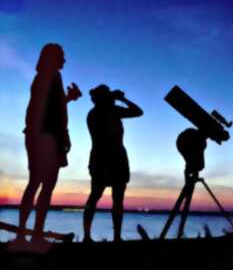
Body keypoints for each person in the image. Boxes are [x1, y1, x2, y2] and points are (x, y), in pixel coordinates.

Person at [16, 43, 82, 245]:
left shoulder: (48, 76)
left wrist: (68, 99)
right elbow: (41, 108)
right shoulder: (49, 76)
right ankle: (32, 235)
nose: (64, 59)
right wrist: (54, 136)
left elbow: (52, 106)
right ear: (52, 57)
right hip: (45, 137)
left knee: (38, 183)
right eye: (61, 55)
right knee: (42, 184)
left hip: (44, 136)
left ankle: (28, 233)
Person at [83, 85, 143, 242]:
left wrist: (118, 99)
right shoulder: (105, 112)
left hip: (109, 159)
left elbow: (138, 112)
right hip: (106, 159)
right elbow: (137, 112)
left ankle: (98, 236)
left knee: (107, 198)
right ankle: (95, 236)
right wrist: (120, 99)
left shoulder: (102, 112)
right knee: (102, 197)